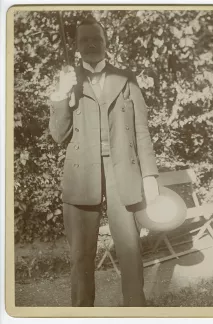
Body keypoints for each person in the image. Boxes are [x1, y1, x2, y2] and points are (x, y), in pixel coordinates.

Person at [49, 16, 159, 307]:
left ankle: (136, 311)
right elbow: (58, 136)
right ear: (76, 45)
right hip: (81, 174)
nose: (91, 43)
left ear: (107, 42)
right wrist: (61, 95)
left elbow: (141, 130)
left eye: (96, 38)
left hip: (123, 173)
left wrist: (149, 177)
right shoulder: (68, 81)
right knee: (81, 257)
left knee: (131, 250)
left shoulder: (126, 78)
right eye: (84, 39)